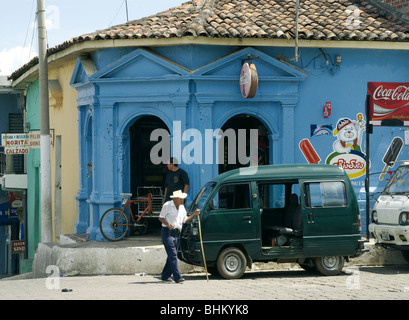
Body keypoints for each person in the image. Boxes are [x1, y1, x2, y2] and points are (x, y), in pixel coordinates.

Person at [158, 190, 200, 283]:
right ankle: (177, 277)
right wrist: (167, 223)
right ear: (176, 199)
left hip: (176, 233)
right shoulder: (167, 205)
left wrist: (194, 214)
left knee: (172, 255)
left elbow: (185, 220)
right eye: (181, 198)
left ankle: (165, 276)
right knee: (173, 255)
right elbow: (160, 217)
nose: (183, 200)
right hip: (167, 232)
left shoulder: (182, 207)